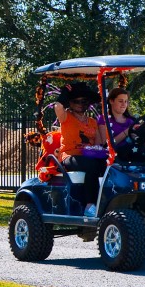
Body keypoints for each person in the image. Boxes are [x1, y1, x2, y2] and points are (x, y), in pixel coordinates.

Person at [52, 82, 106, 217]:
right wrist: (64, 93)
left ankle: (107, 202)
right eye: (77, 101)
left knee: (107, 165)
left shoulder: (92, 121)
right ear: (70, 102)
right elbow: (58, 107)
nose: (81, 104)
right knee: (91, 165)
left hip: (89, 155)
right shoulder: (66, 117)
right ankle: (89, 205)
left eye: (84, 101)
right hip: (69, 155)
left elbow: (99, 143)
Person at [97, 87, 136, 160]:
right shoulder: (104, 119)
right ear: (111, 101)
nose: (124, 104)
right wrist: (126, 132)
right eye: (120, 101)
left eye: (126, 101)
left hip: (132, 157)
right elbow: (106, 144)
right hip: (112, 160)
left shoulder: (132, 121)